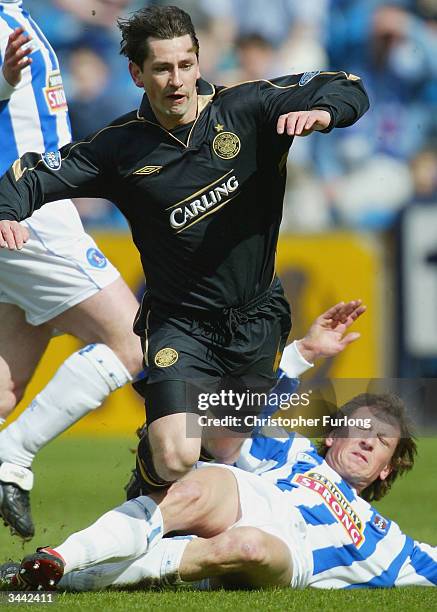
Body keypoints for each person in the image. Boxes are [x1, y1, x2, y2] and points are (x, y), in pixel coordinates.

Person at [0, 6, 370, 494]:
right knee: (177, 454)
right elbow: (33, 175)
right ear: (136, 73)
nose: (177, 81)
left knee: (225, 449)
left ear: (198, 63)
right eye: (161, 68)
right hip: (179, 324)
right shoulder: (118, 148)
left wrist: (326, 113)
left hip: (257, 318)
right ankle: (150, 478)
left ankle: (160, 490)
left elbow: (347, 84)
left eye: (185, 65)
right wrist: (7, 212)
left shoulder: (250, 108)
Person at [5, 391, 436, 592]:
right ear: (331, 436)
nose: (365, 441)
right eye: (358, 429)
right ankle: (58, 557)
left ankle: (63, 581)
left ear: (387, 469)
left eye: (380, 441)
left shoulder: (390, 544)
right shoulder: (291, 450)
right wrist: (306, 352)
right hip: (257, 491)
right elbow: (241, 403)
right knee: (193, 489)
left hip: (291, 552)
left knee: (247, 546)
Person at [0, 0, 143, 540]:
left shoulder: (16, 14)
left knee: (4, 390)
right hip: (23, 211)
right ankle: (12, 455)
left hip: (25, 204)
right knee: (135, 340)